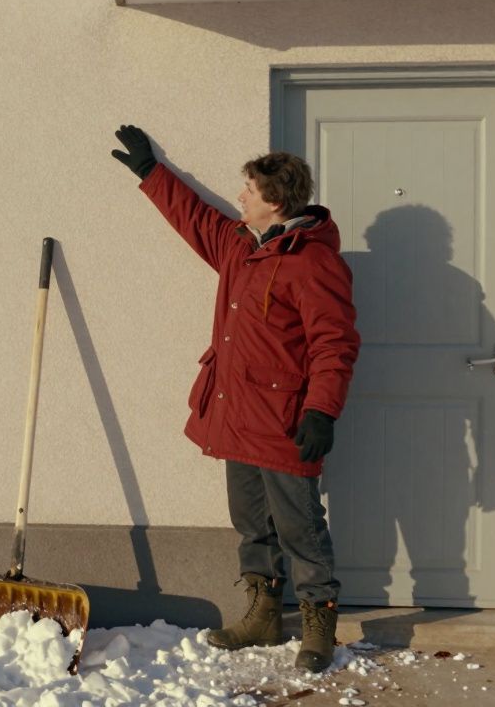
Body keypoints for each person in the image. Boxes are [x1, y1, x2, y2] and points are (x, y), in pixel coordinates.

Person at [111, 124, 360, 673]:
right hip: (234, 412)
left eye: (249, 189)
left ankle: (319, 622)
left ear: (274, 200)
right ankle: (263, 614)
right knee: (251, 522)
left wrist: (322, 410)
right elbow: (196, 219)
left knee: (300, 526)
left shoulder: (314, 262)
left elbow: (334, 343)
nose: (241, 197)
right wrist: (151, 172)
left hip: (285, 421)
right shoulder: (239, 246)